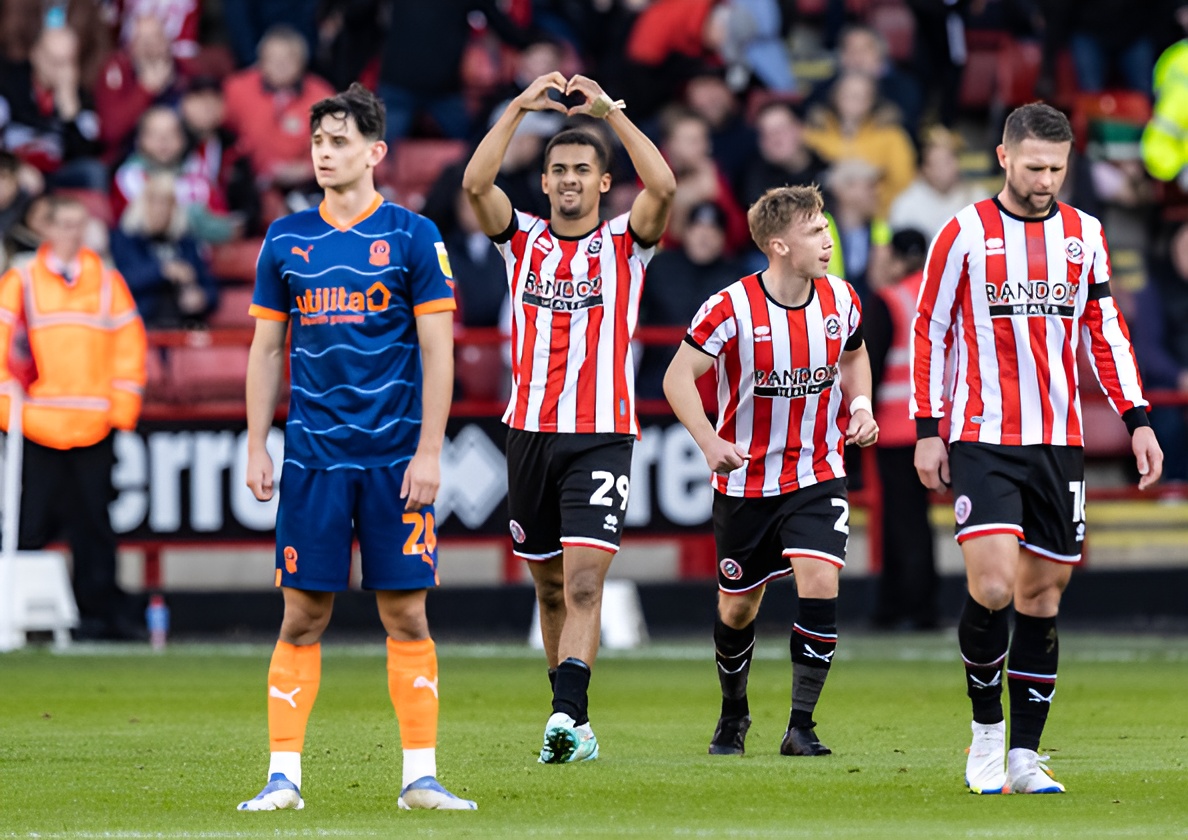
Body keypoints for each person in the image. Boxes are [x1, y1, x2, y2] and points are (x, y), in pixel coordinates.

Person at [911, 103, 1164, 796]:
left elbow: (1104, 331)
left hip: (1060, 441)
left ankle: (1026, 755)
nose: (1046, 179)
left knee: (1042, 596)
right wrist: (929, 428)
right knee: (992, 585)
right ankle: (986, 740)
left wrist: (1137, 419)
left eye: (1056, 168)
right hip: (983, 435)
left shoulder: (1086, 235)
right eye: (1033, 167)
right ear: (1003, 158)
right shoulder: (962, 234)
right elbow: (929, 330)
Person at [238, 83, 475, 812]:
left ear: (375, 152)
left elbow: (440, 353)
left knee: (405, 615)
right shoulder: (286, 240)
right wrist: (256, 445)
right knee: (302, 616)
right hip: (312, 459)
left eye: (337, 142)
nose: (323, 154)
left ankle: (419, 778)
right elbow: (266, 350)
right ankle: (284, 778)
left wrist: (431, 452)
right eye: (316, 143)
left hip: (395, 460)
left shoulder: (412, 236)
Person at [462, 72, 675, 763]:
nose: (570, 181)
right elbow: (474, 185)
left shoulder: (625, 245)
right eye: (558, 171)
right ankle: (572, 725)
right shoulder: (519, 239)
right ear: (545, 181)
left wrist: (612, 114)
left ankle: (565, 714)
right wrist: (518, 107)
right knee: (549, 587)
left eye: (583, 170)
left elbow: (665, 189)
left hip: (602, 434)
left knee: (585, 581)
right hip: (527, 432)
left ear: (604, 182)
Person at [662, 184, 878, 758]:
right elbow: (676, 378)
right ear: (779, 246)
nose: (828, 240)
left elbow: (854, 355)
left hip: (818, 472)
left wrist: (860, 407)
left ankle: (801, 726)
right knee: (737, 608)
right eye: (814, 232)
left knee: (821, 583)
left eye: (826, 228)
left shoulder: (842, 300)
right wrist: (709, 443)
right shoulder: (729, 308)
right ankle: (734, 713)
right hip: (746, 482)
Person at [0, 195, 147, 640]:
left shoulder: (106, 280)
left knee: (95, 526)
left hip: (91, 426)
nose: (71, 233)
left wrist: (120, 413)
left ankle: (100, 615)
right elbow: (5, 347)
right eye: (63, 224)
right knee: (27, 524)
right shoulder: (21, 279)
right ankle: (16, 613)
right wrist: (10, 415)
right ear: (46, 228)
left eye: (78, 224)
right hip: (37, 426)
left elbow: (130, 349)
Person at [864, 228, 938, 630]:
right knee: (916, 521)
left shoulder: (889, 300)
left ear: (893, 258)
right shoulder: (941, 299)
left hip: (894, 429)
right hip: (938, 428)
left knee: (900, 522)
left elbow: (869, 368)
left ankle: (907, 607)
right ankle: (907, 605)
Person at [110, 171, 219, 328]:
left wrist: (203, 297)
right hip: (142, 323)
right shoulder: (125, 238)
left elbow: (209, 284)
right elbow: (124, 280)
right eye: (154, 201)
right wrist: (163, 270)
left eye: (167, 202)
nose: (160, 209)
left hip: (184, 325)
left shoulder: (186, 242)